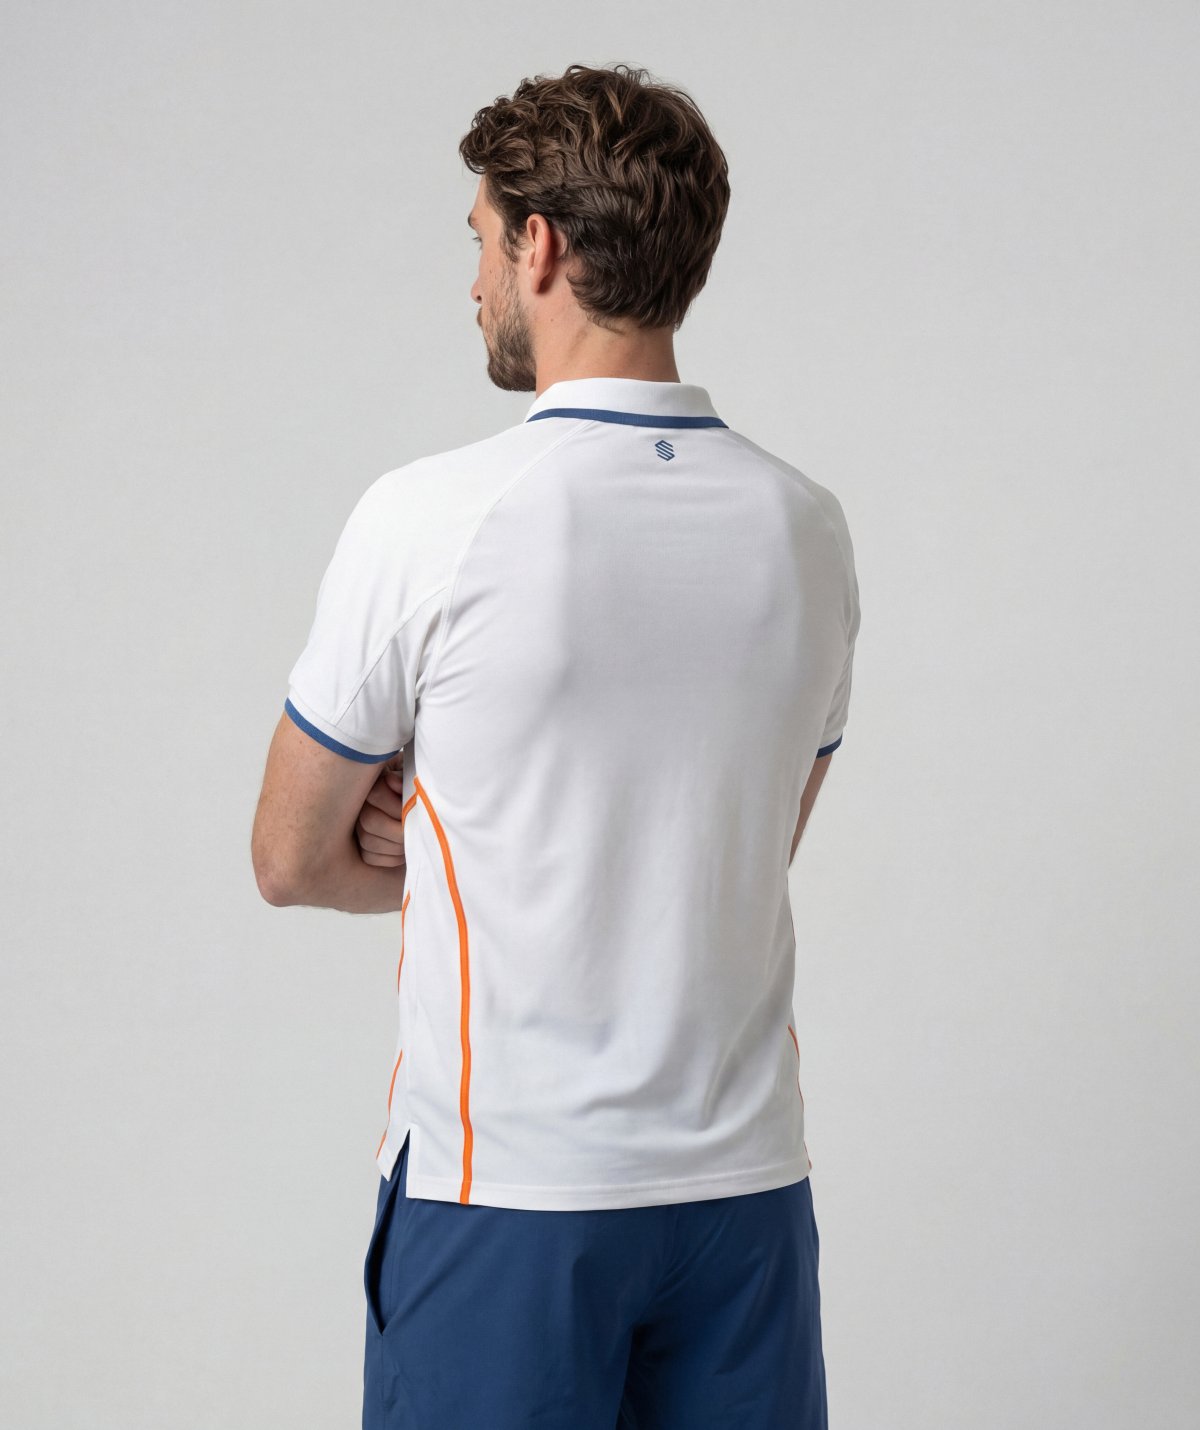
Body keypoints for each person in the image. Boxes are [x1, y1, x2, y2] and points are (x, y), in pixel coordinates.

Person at [252, 60, 860, 1430]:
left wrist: (451, 832)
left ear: (538, 246)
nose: (471, 280)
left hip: (510, 1195)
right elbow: (744, 842)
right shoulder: (806, 527)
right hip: (744, 1197)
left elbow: (288, 857)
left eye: (478, 239)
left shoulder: (433, 516)